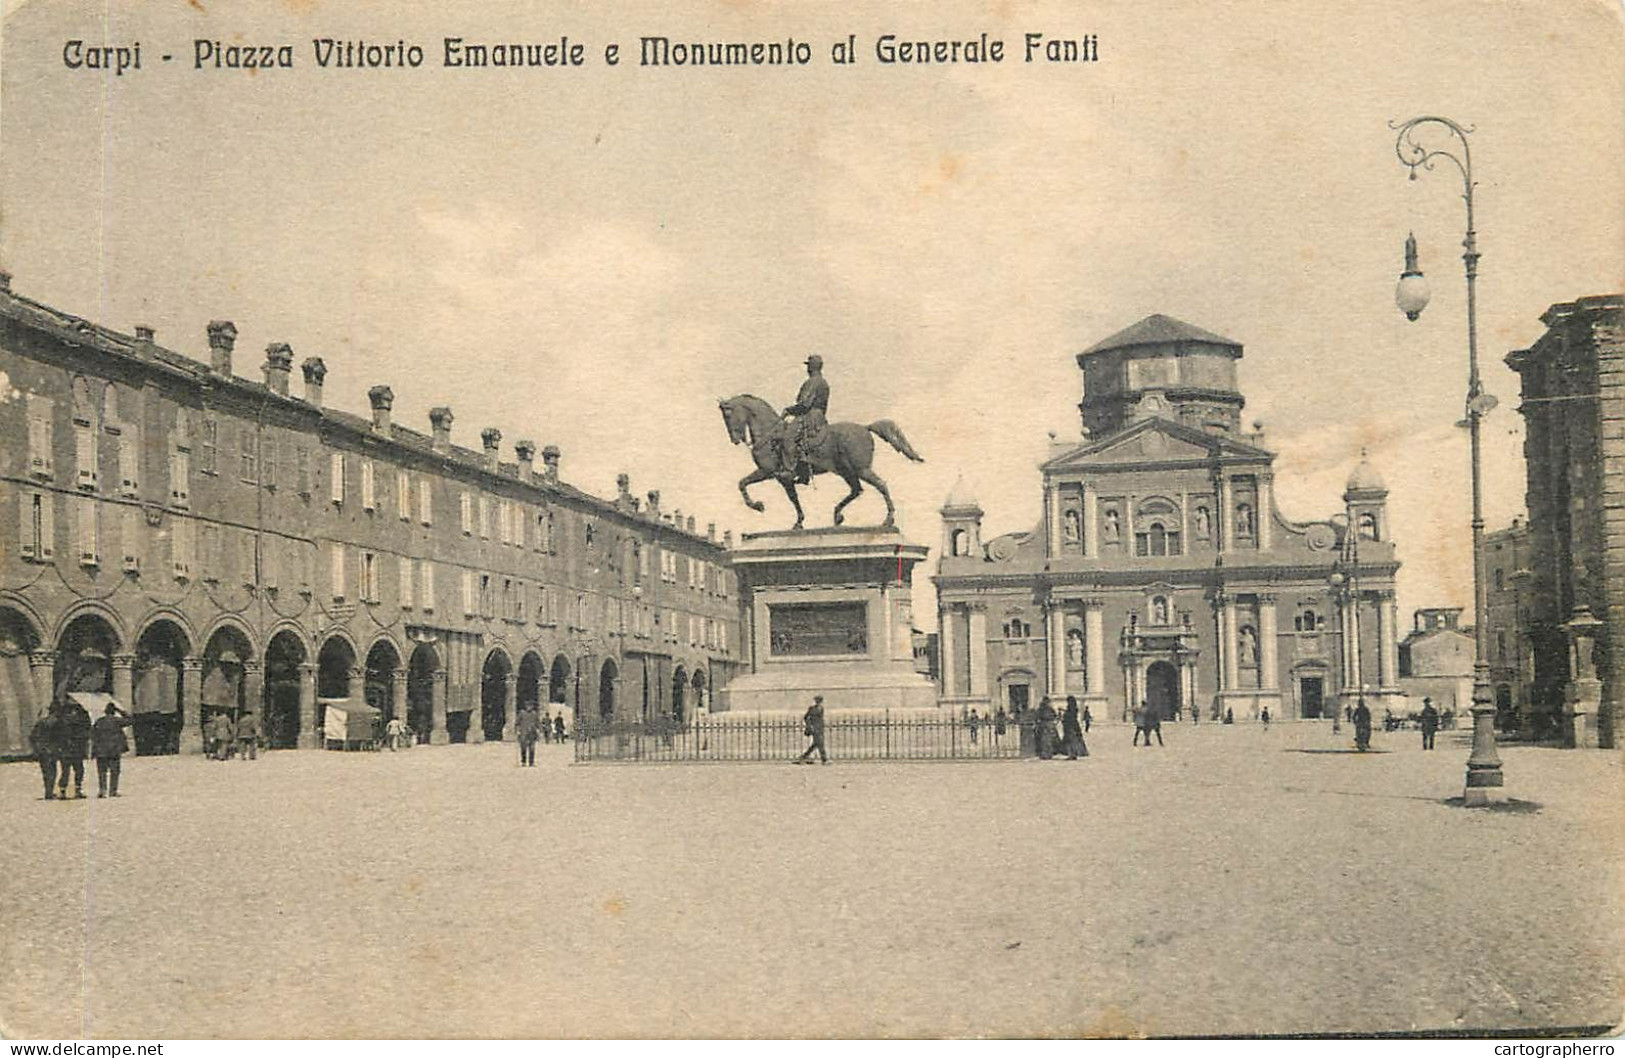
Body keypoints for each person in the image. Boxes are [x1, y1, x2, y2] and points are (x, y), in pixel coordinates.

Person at [779, 355, 830, 485]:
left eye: (808, 366)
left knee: (788, 437)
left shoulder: (813, 382)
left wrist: (788, 410)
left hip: (810, 416)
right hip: (820, 416)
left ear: (811, 367)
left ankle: (789, 470)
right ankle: (803, 473)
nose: (807, 368)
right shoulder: (823, 382)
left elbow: (805, 404)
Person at [91, 702, 133, 797]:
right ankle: (112, 791)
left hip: (101, 750)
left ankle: (102, 790)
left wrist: (94, 749)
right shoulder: (117, 720)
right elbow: (130, 720)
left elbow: (93, 734)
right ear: (114, 712)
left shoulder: (99, 721)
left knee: (102, 772)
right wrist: (121, 711)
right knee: (115, 771)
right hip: (114, 750)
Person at [30, 704, 62, 801]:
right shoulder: (57, 723)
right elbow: (60, 738)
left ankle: (48, 792)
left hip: (42, 751)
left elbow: (32, 737)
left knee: (46, 772)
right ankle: (49, 792)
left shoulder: (41, 722)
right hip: (52, 750)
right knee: (52, 771)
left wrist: (36, 748)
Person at [797, 695, 828, 764]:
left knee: (816, 744)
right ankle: (824, 759)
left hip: (819, 728)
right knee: (820, 744)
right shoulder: (812, 708)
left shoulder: (821, 708)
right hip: (815, 728)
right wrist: (809, 725)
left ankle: (804, 757)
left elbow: (820, 719)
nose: (818, 702)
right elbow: (806, 717)